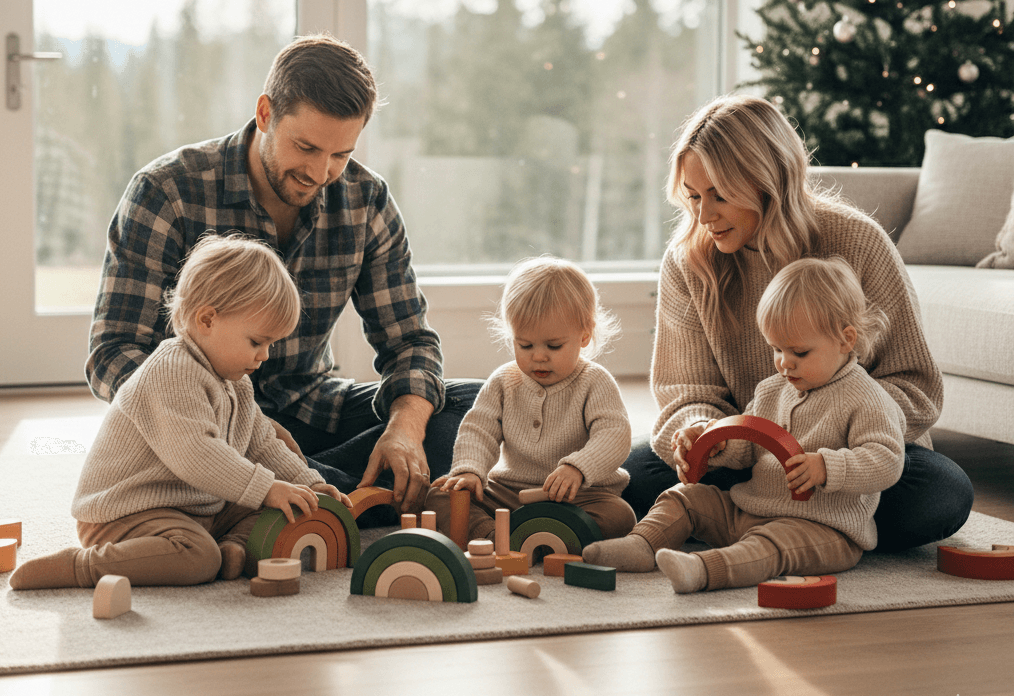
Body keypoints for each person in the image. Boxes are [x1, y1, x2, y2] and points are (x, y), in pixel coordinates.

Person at [86, 34, 481, 522]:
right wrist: (214, 422)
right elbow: (112, 354)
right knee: (208, 454)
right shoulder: (167, 191)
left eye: (340, 154)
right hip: (203, 418)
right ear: (265, 113)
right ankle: (341, 500)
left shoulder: (365, 200)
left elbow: (410, 342)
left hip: (310, 405)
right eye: (307, 147)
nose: (320, 172)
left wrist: (405, 428)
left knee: (472, 404)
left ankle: (297, 500)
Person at [621, 93, 973, 553]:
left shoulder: (856, 240)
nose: (704, 217)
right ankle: (806, 532)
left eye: (720, 196)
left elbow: (916, 387)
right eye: (693, 197)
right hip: (743, 457)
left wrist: (826, 445)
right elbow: (685, 391)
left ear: (767, 181)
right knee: (630, 473)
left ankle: (748, 522)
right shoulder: (688, 262)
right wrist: (701, 432)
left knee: (943, 494)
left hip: (846, 462)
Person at [11, 234, 351, 589]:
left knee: (276, 507)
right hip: (128, 513)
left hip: (198, 506)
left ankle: (233, 547)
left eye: (269, 345)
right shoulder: (173, 370)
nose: (264, 355)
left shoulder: (234, 381)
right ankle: (82, 567)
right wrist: (267, 487)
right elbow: (197, 455)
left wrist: (309, 483)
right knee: (197, 558)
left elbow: (263, 445)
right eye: (256, 341)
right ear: (207, 320)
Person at [585, 256, 906, 591]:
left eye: (799, 352)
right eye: (777, 349)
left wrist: (827, 466)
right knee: (685, 496)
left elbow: (887, 461)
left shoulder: (866, 398)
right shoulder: (772, 390)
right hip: (748, 510)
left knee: (768, 546)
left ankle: (704, 570)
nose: (785, 363)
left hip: (821, 529)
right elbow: (748, 446)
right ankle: (642, 545)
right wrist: (715, 442)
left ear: (845, 340)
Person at [426, 257, 636, 543]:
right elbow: (479, 429)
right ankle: (497, 537)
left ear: (585, 335)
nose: (538, 355)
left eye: (553, 345)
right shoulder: (503, 381)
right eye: (525, 345)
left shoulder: (595, 381)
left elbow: (614, 434)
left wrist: (578, 467)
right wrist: (471, 471)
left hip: (579, 495)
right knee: (441, 494)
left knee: (620, 517)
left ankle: (541, 536)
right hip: (509, 492)